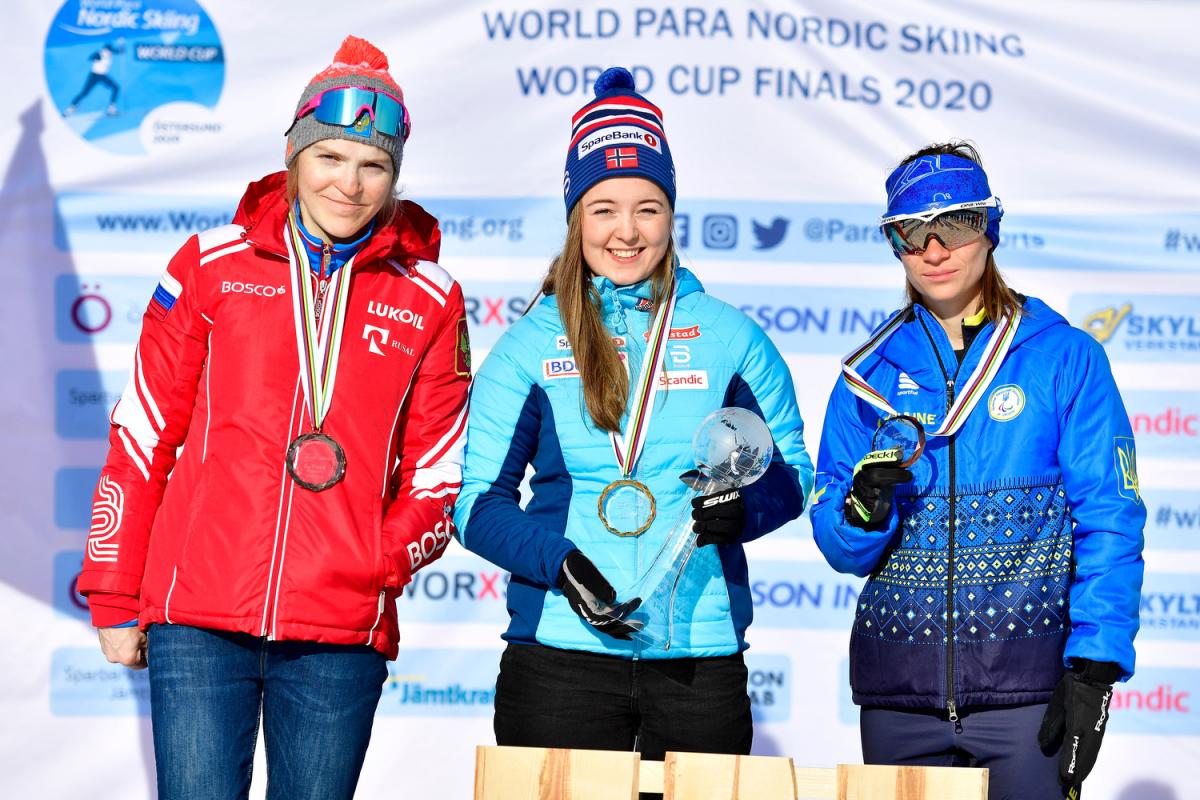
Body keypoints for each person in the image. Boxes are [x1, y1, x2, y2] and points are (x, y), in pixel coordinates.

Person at [77, 36, 470, 800]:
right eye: (331, 157)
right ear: (293, 154)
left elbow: (438, 472)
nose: (349, 184)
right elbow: (143, 436)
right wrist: (116, 593)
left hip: (338, 632)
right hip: (197, 619)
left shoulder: (428, 297)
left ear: (394, 176)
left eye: (373, 165)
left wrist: (373, 564)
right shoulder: (209, 266)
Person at [454, 67, 814, 762]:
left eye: (647, 207)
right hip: (560, 659)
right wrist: (559, 562)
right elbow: (476, 505)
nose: (627, 231)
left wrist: (748, 509)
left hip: (698, 662)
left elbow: (792, 474)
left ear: (672, 216)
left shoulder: (729, 337)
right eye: (604, 208)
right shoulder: (530, 345)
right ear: (575, 219)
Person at [811, 141, 1145, 799]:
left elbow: (1110, 516)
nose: (934, 249)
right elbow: (836, 541)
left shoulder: (1062, 357)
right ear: (895, 245)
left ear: (990, 230)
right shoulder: (866, 376)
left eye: (955, 225)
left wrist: (1094, 669)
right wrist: (861, 513)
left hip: (1024, 694)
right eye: (912, 232)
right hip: (898, 696)